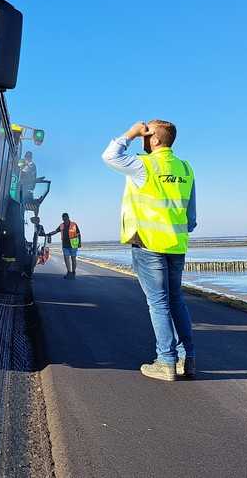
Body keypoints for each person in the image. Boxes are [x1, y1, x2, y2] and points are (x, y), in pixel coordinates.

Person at [102, 120, 197, 382]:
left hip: (148, 243)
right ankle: (187, 359)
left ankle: (165, 361)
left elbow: (109, 156)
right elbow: (191, 218)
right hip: (176, 246)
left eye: (147, 133)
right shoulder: (185, 168)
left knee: (158, 303)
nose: (144, 137)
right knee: (176, 300)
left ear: (154, 139)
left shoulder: (144, 165)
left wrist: (131, 133)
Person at [46, 213, 81, 278]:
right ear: (62, 219)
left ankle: (73, 272)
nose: (65, 219)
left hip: (73, 244)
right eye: (63, 218)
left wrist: (79, 243)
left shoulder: (74, 224)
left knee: (73, 259)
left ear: (68, 217)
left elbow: (78, 234)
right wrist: (49, 234)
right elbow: (56, 231)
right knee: (66, 258)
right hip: (65, 245)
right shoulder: (61, 225)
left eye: (66, 218)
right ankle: (69, 272)